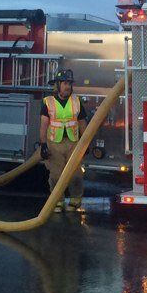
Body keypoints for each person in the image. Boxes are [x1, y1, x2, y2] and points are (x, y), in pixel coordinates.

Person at [40, 69, 88, 212]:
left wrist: (86, 143)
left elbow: (82, 123)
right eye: (65, 83)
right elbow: (43, 125)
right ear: (58, 84)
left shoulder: (76, 101)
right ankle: (58, 202)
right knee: (56, 175)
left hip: (73, 142)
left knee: (76, 174)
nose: (68, 86)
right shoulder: (48, 102)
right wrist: (43, 145)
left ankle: (75, 200)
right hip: (55, 143)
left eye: (69, 83)